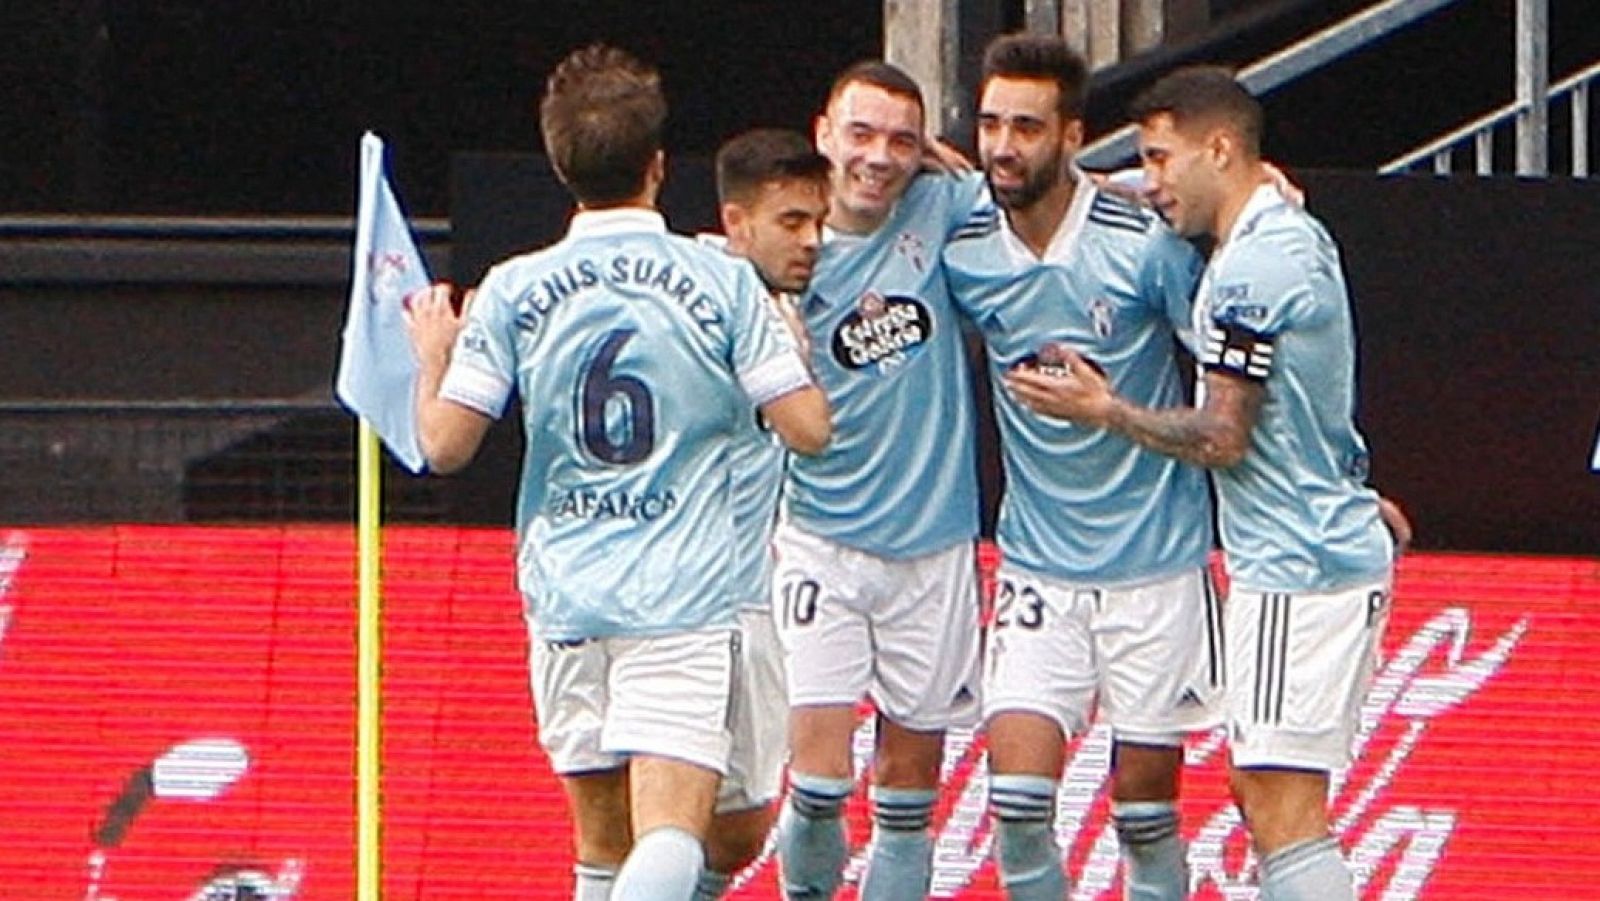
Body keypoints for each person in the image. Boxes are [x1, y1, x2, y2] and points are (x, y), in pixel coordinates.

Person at [404, 45, 831, 901]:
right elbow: (809, 430)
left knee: (604, 848)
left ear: (562, 167)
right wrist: (786, 360)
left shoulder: (516, 288)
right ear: (659, 166)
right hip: (682, 596)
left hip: (566, 597)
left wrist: (431, 357)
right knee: (673, 835)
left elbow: (444, 447)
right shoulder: (720, 280)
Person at [1007, 66, 1397, 900]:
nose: (1150, 184)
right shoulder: (1284, 233)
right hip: (1309, 552)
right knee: (1265, 793)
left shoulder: (1255, 270)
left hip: (1300, 567)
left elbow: (1223, 434)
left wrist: (1105, 409)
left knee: (1281, 806)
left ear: (1219, 150)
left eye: (1158, 160)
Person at [942, 34, 1222, 901]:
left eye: (1026, 127)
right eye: (990, 124)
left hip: (1157, 568)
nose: (1002, 146)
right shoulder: (963, 247)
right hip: (1037, 568)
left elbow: (1226, 392)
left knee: (1145, 815)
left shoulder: (1143, 244)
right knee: (1018, 803)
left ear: (1070, 136)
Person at [771, 61, 990, 901]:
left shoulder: (943, 209)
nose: (879, 157)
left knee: (907, 793)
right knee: (819, 781)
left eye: (902, 139)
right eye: (860, 134)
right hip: (820, 540)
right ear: (824, 134)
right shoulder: (786, 242)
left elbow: (1054, 198)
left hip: (933, 548)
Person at [687, 128, 832, 899]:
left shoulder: (763, 300)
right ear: (735, 223)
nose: (812, 241)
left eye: (818, 222)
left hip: (748, 591)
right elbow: (813, 434)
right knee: (668, 819)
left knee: (738, 822)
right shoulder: (721, 300)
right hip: (687, 607)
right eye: (791, 223)